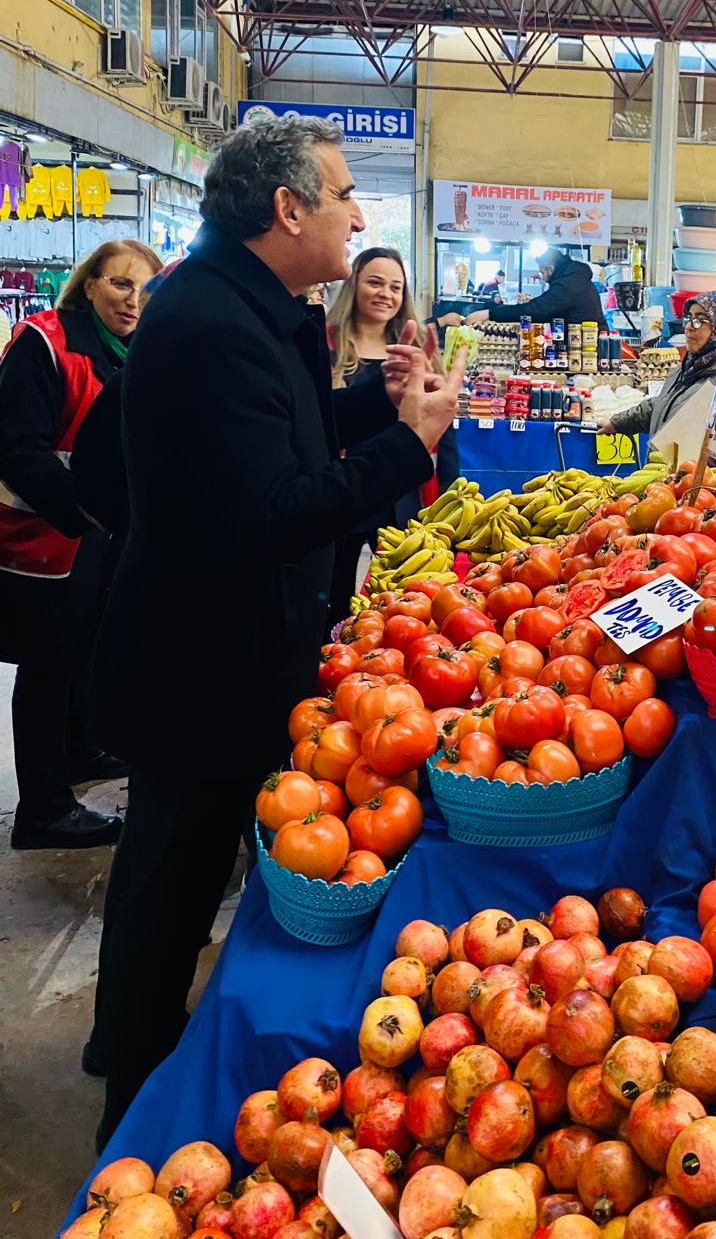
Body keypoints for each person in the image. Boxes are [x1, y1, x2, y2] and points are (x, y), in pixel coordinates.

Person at [86, 117, 465, 1145]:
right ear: (287, 209)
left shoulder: (248, 306)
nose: (358, 213)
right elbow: (272, 507)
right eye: (342, 194)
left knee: (178, 872)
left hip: (232, 650)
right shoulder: (208, 322)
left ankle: (141, 1054)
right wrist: (410, 446)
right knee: (171, 882)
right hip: (199, 666)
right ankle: (133, 1102)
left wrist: (371, 405)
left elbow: (283, 434)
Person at [0, 238, 160, 849]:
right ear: (88, 284)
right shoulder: (44, 342)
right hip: (41, 533)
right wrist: (82, 507)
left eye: (143, 289)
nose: (132, 301)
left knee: (78, 650)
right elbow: (19, 448)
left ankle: (78, 750)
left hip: (94, 531)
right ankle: (41, 807)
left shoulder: (130, 352)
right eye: (120, 284)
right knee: (46, 663)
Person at [325, 246, 460, 624]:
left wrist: (448, 495)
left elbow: (442, 430)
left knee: (401, 600)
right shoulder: (326, 345)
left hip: (398, 494)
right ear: (354, 286)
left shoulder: (414, 351)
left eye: (396, 286)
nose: (386, 293)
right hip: (338, 491)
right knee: (333, 593)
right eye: (375, 282)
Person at [600, 292, 716, 464]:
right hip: (665, 485)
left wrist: (686, 465)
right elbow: (663, 404)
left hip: (697, 488)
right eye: (689, 318)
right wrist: (618, 423)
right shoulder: (693, 365)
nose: (689, 327)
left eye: (700, 320)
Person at [463, 246, 605, 326]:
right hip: (581, 347)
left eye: (542, 272)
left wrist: (490, 313)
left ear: (550, 269)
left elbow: (537, 310)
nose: (542, 277)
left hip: (590, 351)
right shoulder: (572, 276)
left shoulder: (568, 284)